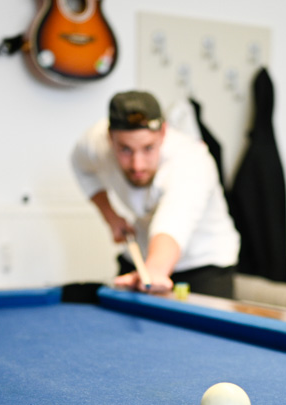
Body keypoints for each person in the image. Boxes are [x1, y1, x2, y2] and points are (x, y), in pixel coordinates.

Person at [71, 90, 240, 297]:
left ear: (163, 133)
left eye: (148, 148)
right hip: (142, 258)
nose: (137, 164)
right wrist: (111, 217)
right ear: (110, 137)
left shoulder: (191, 161)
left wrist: (154, 271)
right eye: (125, 149)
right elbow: (81, 168)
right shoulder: (95, 142)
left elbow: (173, 223)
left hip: (203, 264)